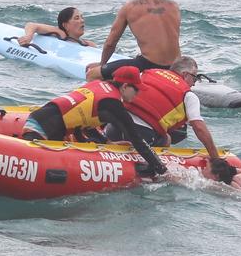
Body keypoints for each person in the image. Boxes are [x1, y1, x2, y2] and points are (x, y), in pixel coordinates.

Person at [22, 66, 168, 176]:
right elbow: (136, 139)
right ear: (125, 86)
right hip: (43, 131)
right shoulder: (113, 103)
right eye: (136, 90)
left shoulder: (97, 86)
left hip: (38, 120)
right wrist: (162, 169)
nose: (137, 95)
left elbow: (81, 121)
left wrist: (107, 143)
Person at [111, 57, 228, 166]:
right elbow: (199, 128)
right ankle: (156, 165)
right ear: (185, 75)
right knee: (167, 138)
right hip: (142, 135)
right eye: (195, 77)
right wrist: (215, 158)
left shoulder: (147, 73)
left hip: (114, 126)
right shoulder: (188, 96)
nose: (194, 83)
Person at [89, 0, 181, 81]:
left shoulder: (129, 8)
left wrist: (102, 64)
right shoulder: (173, 6)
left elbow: (110, 43)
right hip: (175, 67)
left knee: (92, 74)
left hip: (149, 65)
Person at [18, 7, 95, 47]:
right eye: (77, 18)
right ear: (65, 25)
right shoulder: (61, 34)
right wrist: (28, 36)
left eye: (82, 17)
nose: (82, 20)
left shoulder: (89, 44)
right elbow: (32, 25)